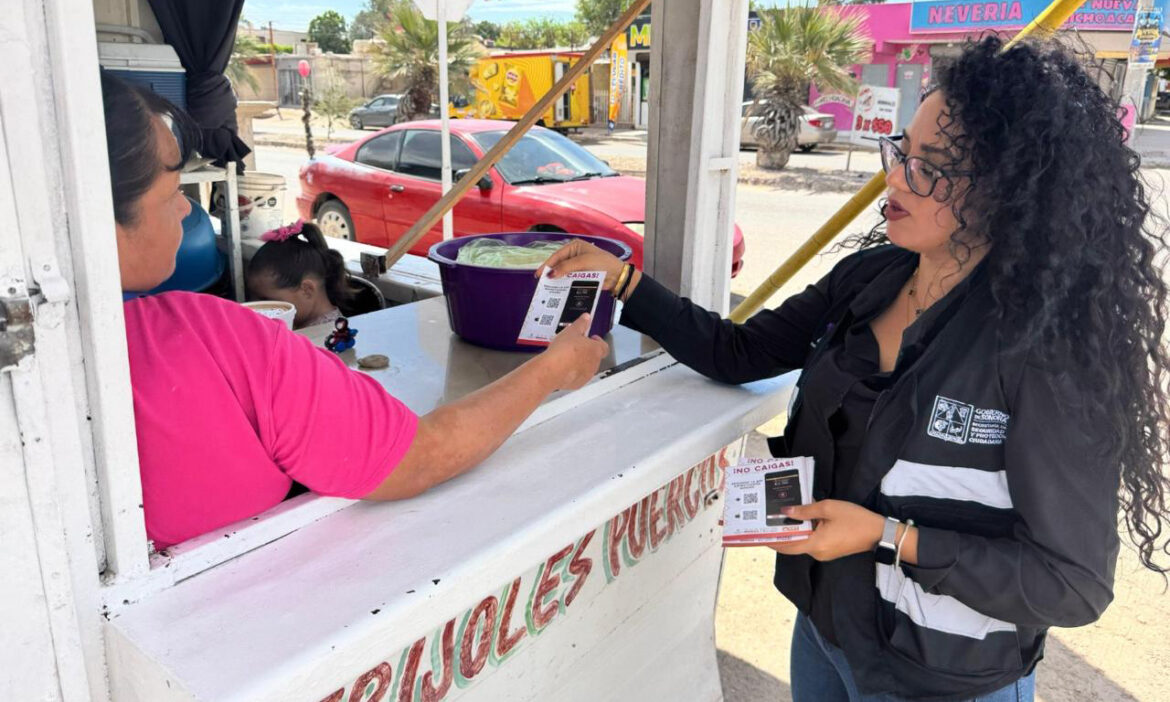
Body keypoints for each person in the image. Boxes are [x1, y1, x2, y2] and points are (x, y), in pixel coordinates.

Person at [539, 37, 1170, 701]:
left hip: (942, 677)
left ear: (1010, 190)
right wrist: (627, 284)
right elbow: (740, 353)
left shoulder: (1041, 350)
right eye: (902, 151)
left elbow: (1071, 584)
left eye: (933, 167)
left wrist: (888, 537)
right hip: (826, 633)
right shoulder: (869, 279)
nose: (894, 179)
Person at [102, 71, 607, 550]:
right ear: (99, 211)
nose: (188, 207)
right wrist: (552, 370)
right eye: (172, 190)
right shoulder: (216, 339)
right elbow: (423, 454)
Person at [246, 219, 359, 329]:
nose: (256, 311)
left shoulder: (329, 337)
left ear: (307, 290)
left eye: (267, 300)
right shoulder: (300, 325)